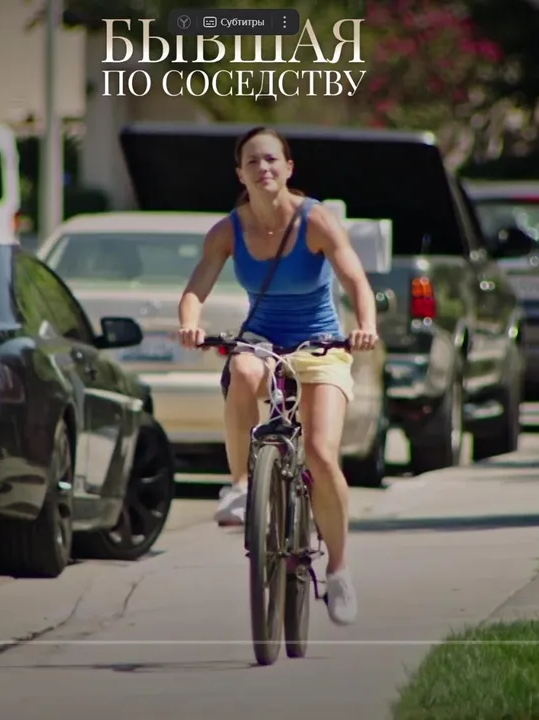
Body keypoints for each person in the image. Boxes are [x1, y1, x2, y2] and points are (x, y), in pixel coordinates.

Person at [176, 126, 380, 626]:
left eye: (271, 160)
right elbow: (196, 288)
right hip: (263, 340)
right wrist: (189, 323)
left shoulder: (316, 221)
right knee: (242, 368)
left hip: (321, 344)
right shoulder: (228, 231)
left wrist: (365, 326)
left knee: (321, 455)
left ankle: (339, 570)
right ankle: (241, 487)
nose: (262, 168)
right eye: (252, 161)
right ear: (240, 174)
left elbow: (355, 278)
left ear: (288, 168)